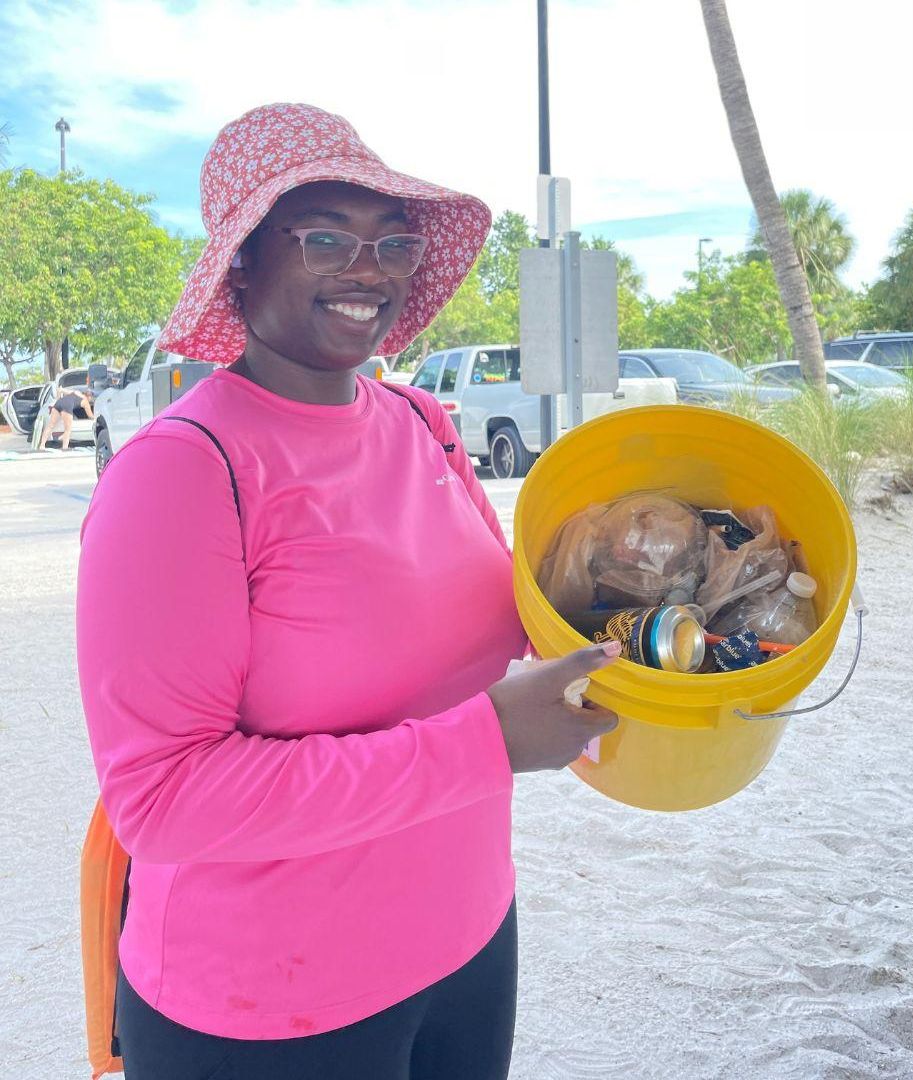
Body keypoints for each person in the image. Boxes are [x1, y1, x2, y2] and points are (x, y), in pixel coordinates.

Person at [76, 103, 621, 1080]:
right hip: (265, 1008)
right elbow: (162, 801)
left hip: (468, 942)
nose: (368, 269)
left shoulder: (423, 421)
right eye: (325, 236)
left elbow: (504, 628)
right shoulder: (183, 471)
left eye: (391, 240)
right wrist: (487, 744)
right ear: (241, 263)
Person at [40, 383, 93, 450]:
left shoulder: (77, 392)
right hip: (67, 407)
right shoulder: (86, 401)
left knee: (50, 425)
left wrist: (57, 398)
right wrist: (96, 417)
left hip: (58, 403)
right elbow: (90, 416)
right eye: (91, 398)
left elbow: (60, 390)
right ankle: (65, 448)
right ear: (89, 397)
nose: (91, 400)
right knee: (68, 430)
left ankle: (42, 445)